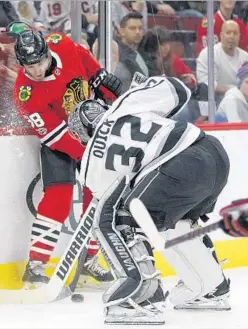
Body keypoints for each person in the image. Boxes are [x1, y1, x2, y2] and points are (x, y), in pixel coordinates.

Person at [68, 75, 231, 323]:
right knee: (176, 222)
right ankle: (210, 287)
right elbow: (180, 89)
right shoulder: (125, 104)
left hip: (179, 167)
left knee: (119, 218)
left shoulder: (91, 162)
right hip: (213, 153)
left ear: (81, 135)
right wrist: (140, 89)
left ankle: (139, 295)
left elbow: (113, 205)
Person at [13, 29, 122, 288]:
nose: (36, 71)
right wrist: (89, 154)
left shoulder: (60, 42)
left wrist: (97, 74)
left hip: (91, 128)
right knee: (58, 198)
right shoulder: (24, 94)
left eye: (39, 62)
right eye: (29, 66)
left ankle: (90, 260)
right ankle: (36, 265)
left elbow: (82, 54)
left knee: (98, 195)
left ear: (47, 52)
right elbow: (55, 135)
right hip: (60, 142)